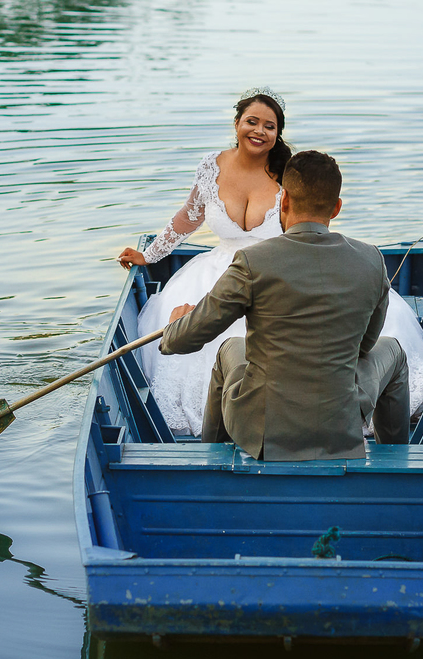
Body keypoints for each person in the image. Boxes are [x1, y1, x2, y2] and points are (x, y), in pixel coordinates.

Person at [118, 88, 423, 437]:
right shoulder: (212, 166)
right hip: (227, 268)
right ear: (236, 123)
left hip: (282, 268)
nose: (259, 131)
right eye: (251, 122)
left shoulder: (292, 173)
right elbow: (189, 215)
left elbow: (182, 338)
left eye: (269, 126)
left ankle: (218, 446)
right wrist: (149, 255)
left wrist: (180, 326)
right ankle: (391, 455)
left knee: (226, 345)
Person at [161, 150, 409, 459]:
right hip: (339, 423)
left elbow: (184, 339)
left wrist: (173, 329)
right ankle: (397, 461)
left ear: (284, 200)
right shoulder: (372, 259)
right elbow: (365, 346)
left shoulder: (253, 261)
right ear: (337, 208)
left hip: (264, 429)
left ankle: (214, 460)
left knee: (229, 348)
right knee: (395, 352)